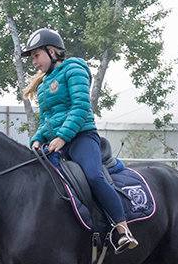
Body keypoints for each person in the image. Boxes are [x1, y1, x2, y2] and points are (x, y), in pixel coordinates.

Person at [22, 28, 138, 252]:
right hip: (56, 142)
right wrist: (37, 139)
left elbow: (81, 107)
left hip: (81, 137)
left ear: (52, 51)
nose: (34, 62)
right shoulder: (45, 84)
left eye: (36, 55)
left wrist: (63, 137)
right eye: (33, 57)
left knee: (93, 176)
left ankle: (122, 229)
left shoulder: (73, 68)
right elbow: (46, 118)